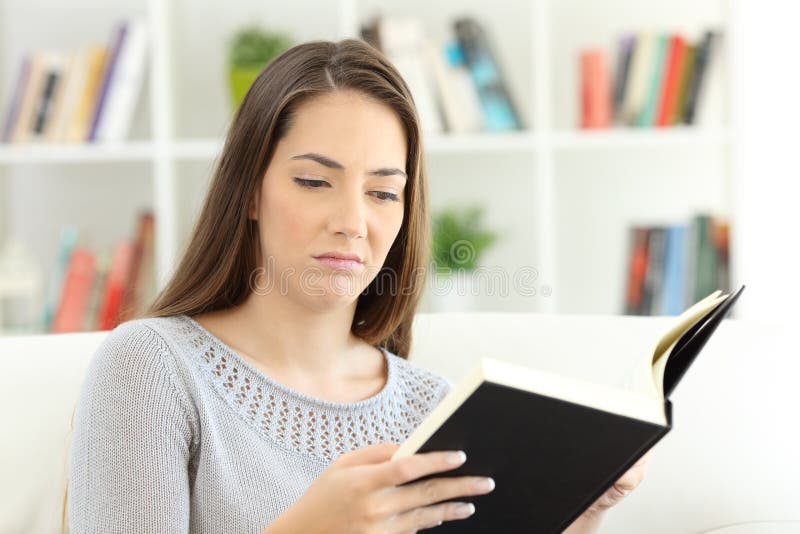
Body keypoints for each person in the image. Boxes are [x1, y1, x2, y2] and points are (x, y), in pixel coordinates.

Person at [66, 39, 648, 533]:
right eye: (314, 181)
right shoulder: (150, 369)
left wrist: (572, 514)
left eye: (382, 192)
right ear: (248, 191)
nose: (351, 221)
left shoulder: (434, 407)